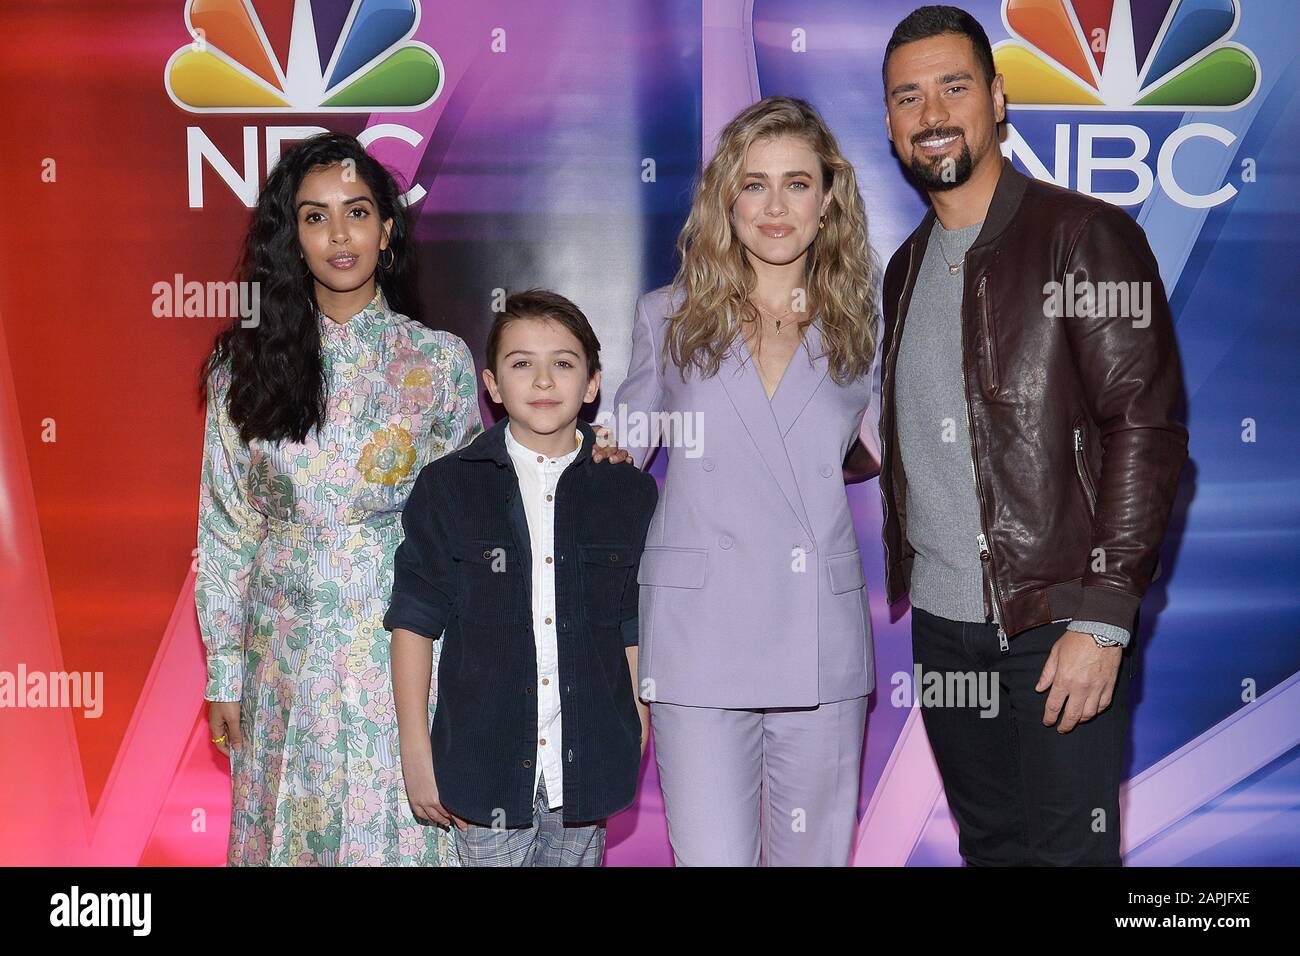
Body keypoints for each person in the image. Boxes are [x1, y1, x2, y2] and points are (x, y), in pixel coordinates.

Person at [878, 5, 1187, 865]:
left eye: (953, 86)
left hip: (1058, 619)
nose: (932, 114)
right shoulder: (903, 269)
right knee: (993, 850)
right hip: (944, 628)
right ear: (892, 124)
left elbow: (1145, 428)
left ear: (999, 97)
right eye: (908, 97)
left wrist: (1106, 617)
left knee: (1068, 858)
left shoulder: (1083, 237)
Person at [609, 96, 882, 866]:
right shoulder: (668, 316)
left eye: (796, 183)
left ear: (828, 201)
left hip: (818, 642)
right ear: (726, 198)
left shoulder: (865, 322)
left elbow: (905, 455)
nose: (774, 206)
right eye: (754, 183)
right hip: (698, 639)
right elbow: (617, 457)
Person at [196, 132, 482, 866]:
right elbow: (228, 526)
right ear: (292, 237)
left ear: (387, 230)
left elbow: (470, 524)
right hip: (281, 651)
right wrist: (225, 669)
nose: (339, 235)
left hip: (407, 642)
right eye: (315, 217)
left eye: (356, 212)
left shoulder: (440, 361)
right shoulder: (245, 363)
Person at [384, 290, 657, 866]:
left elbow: (633, 621)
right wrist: (416, 751)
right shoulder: (449, 488)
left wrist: (637, 722)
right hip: (482, 768)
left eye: (562, 363)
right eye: (521, 364)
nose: (542, 381)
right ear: (491, 383)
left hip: (583, 769)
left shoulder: (625, 492)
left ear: (592, 384)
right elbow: (414, 620)